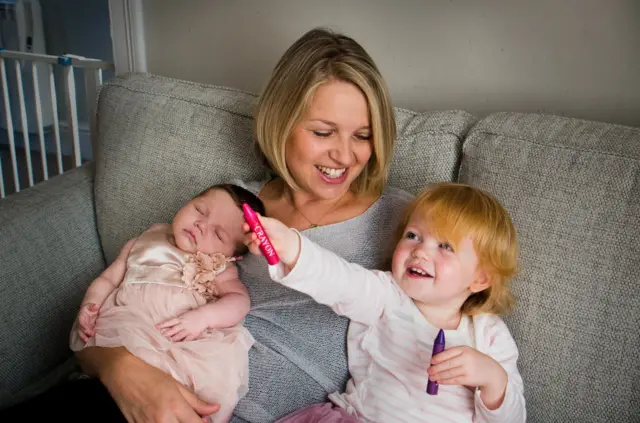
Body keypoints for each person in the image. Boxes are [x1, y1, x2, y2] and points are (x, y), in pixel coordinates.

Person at [0, 27, 412, 423]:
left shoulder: (403, 223)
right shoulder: (227, 208)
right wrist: (121, 368)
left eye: (363, 135)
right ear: (281, 123)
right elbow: (129, 301)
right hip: (140, 384)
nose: (344, 155)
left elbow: (463, 315)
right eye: (323, 132)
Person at [245, 182, 526, 423]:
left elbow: (513, 418)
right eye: (413, 236)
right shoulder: (387, 295)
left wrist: (492, 379)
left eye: (445, 246)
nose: (420, 252)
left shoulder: (489, 334)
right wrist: (293, 248)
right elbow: (340, 281)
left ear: (479, 279)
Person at [70, 183, 263, 423]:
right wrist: (91, 303)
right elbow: (109, 278)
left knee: (209, 378)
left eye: (218, 234)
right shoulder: (144, 239)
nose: (201, 225)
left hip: (180, 337)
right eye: (200, 210)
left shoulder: (219, 266)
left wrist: (203, 317)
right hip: (131, 322)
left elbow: (239, 301)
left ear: (233, 255)